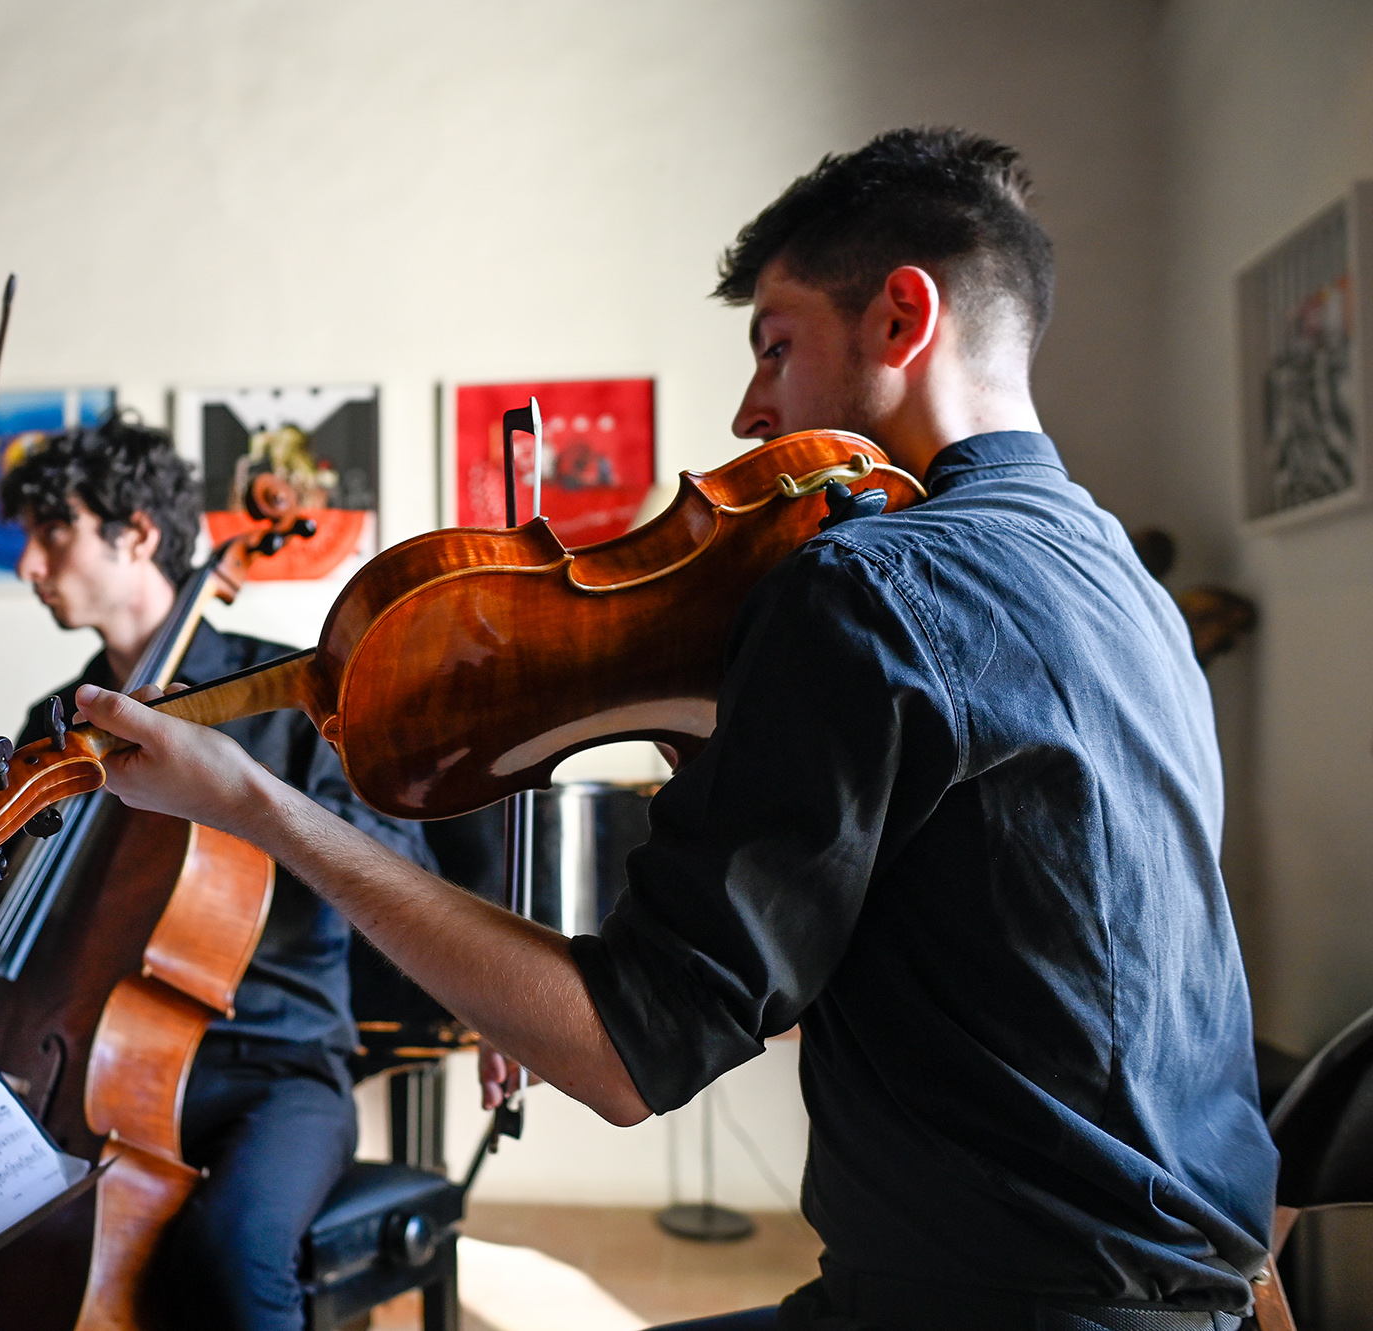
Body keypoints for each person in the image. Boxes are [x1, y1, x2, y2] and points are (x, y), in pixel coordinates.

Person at [65, 129, 1278, 1331]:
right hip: (1189, 1284)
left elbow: (620, 1056)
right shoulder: (1109, 565)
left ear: (901, 320)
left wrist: (251, 802)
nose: (752, 410)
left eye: (776, 346)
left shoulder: (862, 585)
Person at [0, 416, 436, 1331]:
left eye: (54, 533)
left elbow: (397, 873)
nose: (28, 567)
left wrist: (253, 803)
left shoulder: (288, 694)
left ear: (135, 534)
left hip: (271, 1068)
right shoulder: (56, 722)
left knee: (230, 1256)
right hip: (76, 1067)